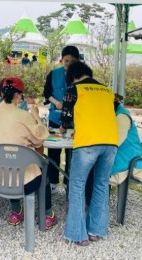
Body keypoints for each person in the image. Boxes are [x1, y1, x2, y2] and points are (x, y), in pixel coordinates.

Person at [0, 77, 57, 229]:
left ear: (1, 93)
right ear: (18, 96)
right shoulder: (24, 116)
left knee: (8, 161)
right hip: (23, 182)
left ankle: (16, 211)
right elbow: (41, 137)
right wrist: (36, 116)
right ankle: (47, 214)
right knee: (41, 168)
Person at [60, 61, 118, 246]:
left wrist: (63, 129)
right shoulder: (106, 90)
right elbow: (112, 110)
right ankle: (96, 230)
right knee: (101, 184)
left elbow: (66, 117)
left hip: (88, 142)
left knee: (77, 185)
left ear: (73, 76)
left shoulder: (74, 88)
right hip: (110, 141)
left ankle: (78, 234)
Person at [85, 98, 142, 205]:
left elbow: (114, 143)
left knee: (91, 168)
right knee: (89, 165)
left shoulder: (121, 117)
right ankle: (93, 203)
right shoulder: (115, 114)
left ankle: (93, 204)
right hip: (119, 156)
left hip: (128, 163)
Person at [43, 45, 80, 191]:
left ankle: (68, 182)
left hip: (75, 120)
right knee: (53, 151)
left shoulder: (81, 76)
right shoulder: (54, 73)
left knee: (72, 151)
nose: (68, 64)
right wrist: (56, 102)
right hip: (55, 117)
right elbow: (47, 93)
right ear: (61, 60)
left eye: (72, 61)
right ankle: (52, 181)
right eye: (66, 61)